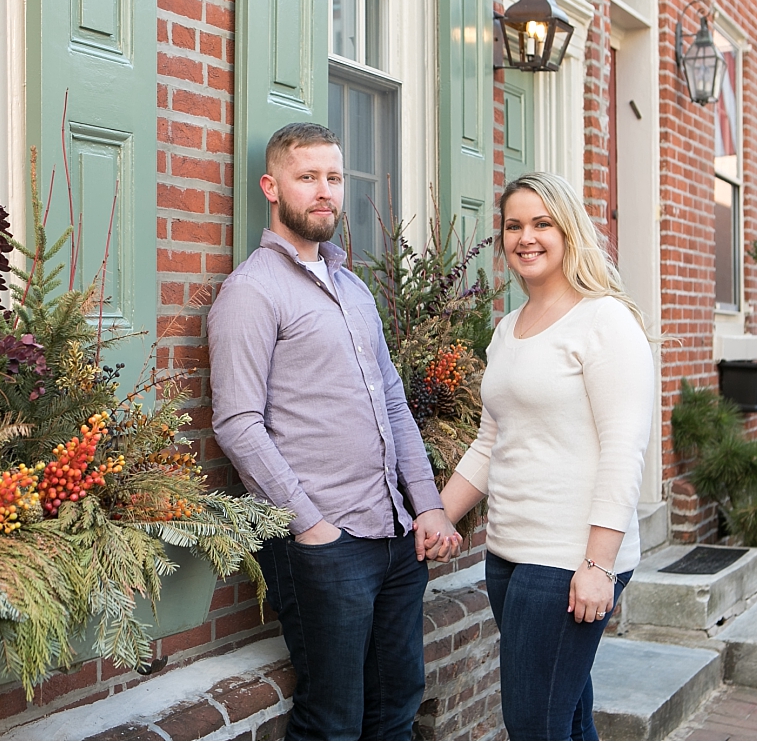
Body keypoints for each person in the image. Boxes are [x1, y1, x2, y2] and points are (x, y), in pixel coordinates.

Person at [208, 122, 462, 740]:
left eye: (334, 178)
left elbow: (394, 402)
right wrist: (310, 525)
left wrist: (427, 504)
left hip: (395, 535)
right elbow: (238, 425)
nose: (325, 192)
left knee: (396, 703)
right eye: (307, 178)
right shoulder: (251, 292)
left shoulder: (353, 289)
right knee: (333, 718)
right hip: (325, 545)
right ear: (272, 186)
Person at [426, 172, 655, 740]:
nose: (525, 237)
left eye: (541, 224)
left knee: (533, 725)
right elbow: (490, 442)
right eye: (513, 225)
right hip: (508, 553)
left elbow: (624, 450)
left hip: (570, 559)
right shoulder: (508, 329)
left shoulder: (605, 320)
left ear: (568, 231)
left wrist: (600, 566)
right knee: (564, 716)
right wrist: (436, 517)